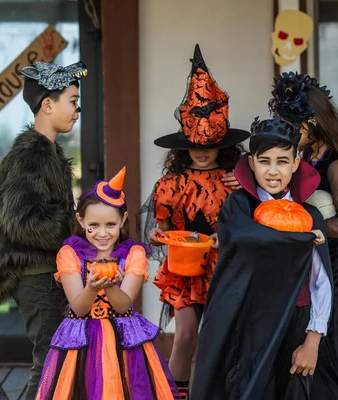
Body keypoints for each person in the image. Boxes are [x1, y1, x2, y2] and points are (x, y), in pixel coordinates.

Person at [191, 117, 334, 399]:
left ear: (295, 164)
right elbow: (246, 238)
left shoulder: (309, 217)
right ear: (251, 163)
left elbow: (321, 282)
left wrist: (313, 341)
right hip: (247, 324)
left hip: (295, 322)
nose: (272, 171)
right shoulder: (237, 209)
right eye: (264, 161)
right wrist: (303, 239)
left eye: (282, 161)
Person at [142, 44, 249, 400]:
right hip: (184, 269)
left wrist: (248, 183)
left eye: (210, 144)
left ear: (223, 145)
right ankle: (174, 394)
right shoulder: (170, 185)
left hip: (223, 266)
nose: (202, 152)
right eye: (194, 145)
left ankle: (210, 393)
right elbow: (159, 228)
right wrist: (158, 236)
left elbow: (256, 218)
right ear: (182, 145)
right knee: (186, 333)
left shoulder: (236, 180)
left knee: (219, 337)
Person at [0, 61, 87, 399]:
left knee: (56, 357)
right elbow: (23, 221)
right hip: (36, 274)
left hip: (46, 272)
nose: (77, 110)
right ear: (48, 104)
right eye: (72, 101)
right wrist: (73, 229)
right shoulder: (32, 154)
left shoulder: (47, 152)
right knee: (48, 360)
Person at [35, 168, 181, 400]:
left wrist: (111, 285)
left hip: (125, 340)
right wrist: (91, 287)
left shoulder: (134, 254)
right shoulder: (70, 255)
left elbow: (123, 306)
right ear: (81, 221)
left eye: (111, 225)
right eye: (94, 225)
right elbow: (78, 308)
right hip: (81, 340)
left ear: (123, 220)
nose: (102, 234)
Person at [269, 72, 338, 398]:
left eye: (293, 126)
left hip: (328, 263)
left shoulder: (337, 166)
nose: (287, 133)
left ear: (313, 123)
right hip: (300, 261)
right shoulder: (300, 157)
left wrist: (298, 230)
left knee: (322, 341)